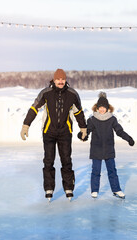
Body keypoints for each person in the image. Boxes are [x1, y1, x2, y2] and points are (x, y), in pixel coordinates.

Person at [20, 68, 87, 201]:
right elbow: (34, 108)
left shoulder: (72, 94)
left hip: (65, 133)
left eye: (62, 79)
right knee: (48, 161)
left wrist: (83, 128)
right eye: (58, 79)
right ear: (54, 80)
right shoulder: (46, 93)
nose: (60, 81)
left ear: (65, 80)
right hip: (49, 133)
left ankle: (68, 188)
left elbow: (78, 112)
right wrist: (26, 125)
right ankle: (49, 188)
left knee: (66, 161)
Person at [78, 92, 134, 199]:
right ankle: (94, 190)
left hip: (108, 149)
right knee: (96, 171)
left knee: (112, 170)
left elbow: (119, 131)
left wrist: (128, 138)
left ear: (107, 108)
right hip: (96, 149)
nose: (102, 109)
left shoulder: (112, 119)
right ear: (97, 108)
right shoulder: (92, 119)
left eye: (104, 107)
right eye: (100, 107)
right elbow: (87, 131)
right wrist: (82, 135)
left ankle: (116, 189)